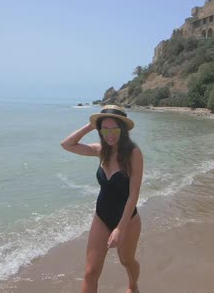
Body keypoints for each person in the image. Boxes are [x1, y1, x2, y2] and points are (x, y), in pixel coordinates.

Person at [61, 105, 143, 293]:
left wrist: (120, 229)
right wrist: (92, 125)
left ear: (122, 129)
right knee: (91, 272)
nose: (110, 134)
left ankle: (133, 285)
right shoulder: (100, 151)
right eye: (104, 129)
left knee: (126, 261)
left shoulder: (133, 154)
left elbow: (134, 193)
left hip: (128, 220)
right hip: (101, 217)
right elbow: (67, 144)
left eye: (114, 128)